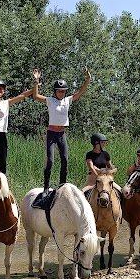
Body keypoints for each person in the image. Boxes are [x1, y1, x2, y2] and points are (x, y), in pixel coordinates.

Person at [32, 67, 92, 202]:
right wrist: (36, 81)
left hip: (62, 134)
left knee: (65, 160)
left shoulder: (68, 100)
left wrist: (88, 79)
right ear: (55, 91)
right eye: (59, 91)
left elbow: (81, 92)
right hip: (51, 133)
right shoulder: (50, 100)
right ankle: (46, 188)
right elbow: (35, 96)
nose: (62, 93)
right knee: (51, 161)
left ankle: (62, 185)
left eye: (64, 91)